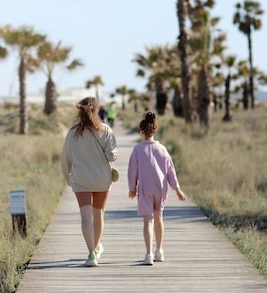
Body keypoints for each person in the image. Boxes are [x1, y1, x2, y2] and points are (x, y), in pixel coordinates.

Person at [61, 96, 117, 267]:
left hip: (81, 180)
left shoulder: (72, 132)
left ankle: (91, 253)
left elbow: (66, 159)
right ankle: (96, 249)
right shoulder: (105, 130)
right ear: (96, 110)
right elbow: (112, 155)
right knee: (98, 214)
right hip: (101, 179)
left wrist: (68, 179)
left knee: (85, 216)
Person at [127, 110, 186, 265]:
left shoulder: (137, 150)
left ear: (141, 132)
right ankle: (159, 251)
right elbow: (170, 171)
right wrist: (177, 189)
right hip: (161, 189)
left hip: (145, 189)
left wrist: (132, 188)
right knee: (159, 217)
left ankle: (148, 254)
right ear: (154, 130)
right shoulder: (162, 149)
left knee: (148, 221)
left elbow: (132, 171)